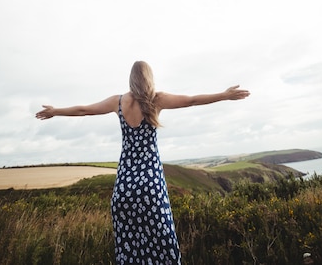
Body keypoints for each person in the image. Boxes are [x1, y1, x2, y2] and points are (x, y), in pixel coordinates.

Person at [36, 60, 250, 265]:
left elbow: (84, 110)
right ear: (149, 78)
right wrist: (224, 95)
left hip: (124, 187)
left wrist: (55, 111)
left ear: (131, 79)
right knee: (161, 239)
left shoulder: (118, 102)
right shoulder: (156, 100)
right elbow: (192, 100)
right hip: (150, 183)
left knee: (130, 242)